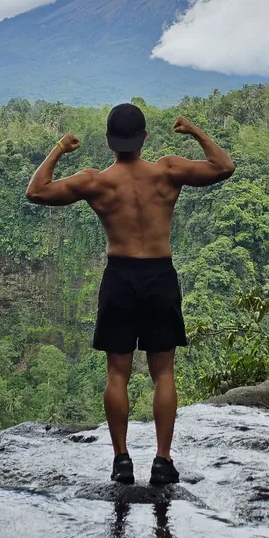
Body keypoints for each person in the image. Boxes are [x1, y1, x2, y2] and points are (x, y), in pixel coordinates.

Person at [26, 103, 235, 485]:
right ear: (144, 138)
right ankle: (162, 459)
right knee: (164, 372)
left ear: (109, 143)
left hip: (120, 276)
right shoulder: (168, 171)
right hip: (160, 275)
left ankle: (121, 460)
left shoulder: (96, 182)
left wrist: (58, 147)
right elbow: (224, 166)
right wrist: (194, 131)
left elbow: (36, 191)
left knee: (117, 373)